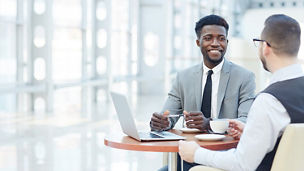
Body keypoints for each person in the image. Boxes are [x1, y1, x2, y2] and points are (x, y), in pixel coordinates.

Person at [179, 14, 304, 171]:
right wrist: (251, 132)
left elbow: (242, 164)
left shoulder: (269, 100)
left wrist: (196, 153)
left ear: (265, 47)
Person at [150, 14, 256, 171]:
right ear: (198, 42)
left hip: (227, 157)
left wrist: (210, 124)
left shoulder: (244, 77)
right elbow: (168, 115)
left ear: (227, 42)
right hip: (189, 157)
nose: (215, 44)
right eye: (208, 38)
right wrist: (162, 123)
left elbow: (245, 121)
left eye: (221, 38)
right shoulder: (183, 77)